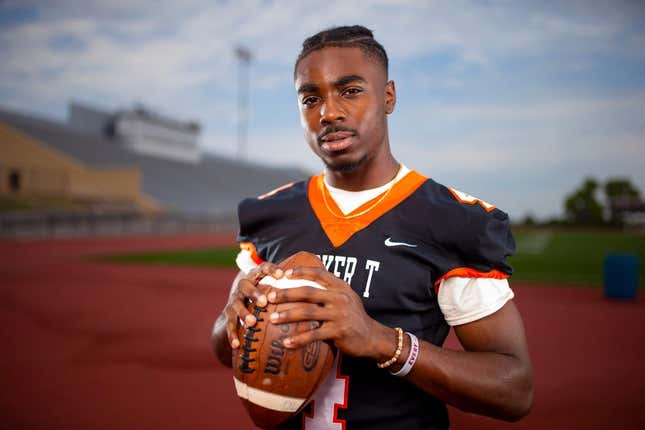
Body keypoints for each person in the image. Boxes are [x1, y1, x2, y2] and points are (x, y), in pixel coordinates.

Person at [212, 25, 533, 429]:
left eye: (350, 90)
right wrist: (233, 322)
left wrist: (381, 340)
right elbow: (226, 348)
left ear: (388, 97)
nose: (329, 112)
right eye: (311, 98)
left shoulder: (452, 220)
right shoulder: (272, 213)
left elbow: (516, 390)